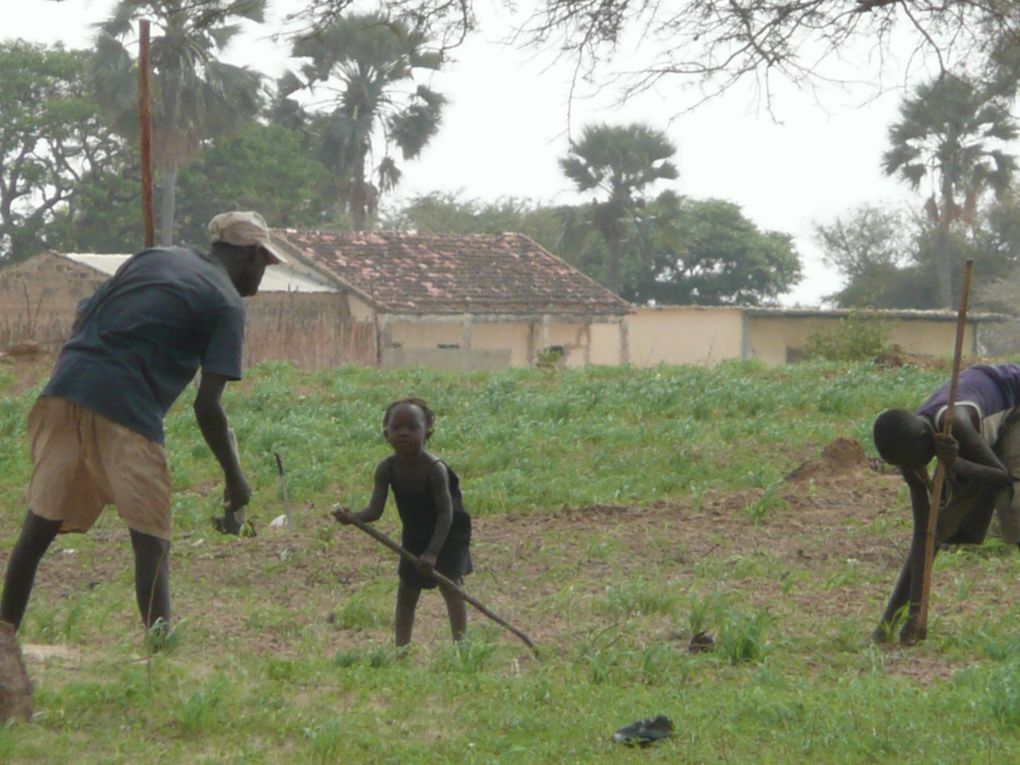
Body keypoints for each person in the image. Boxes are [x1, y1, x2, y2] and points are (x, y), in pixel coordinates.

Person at [0, 211, 287, 637]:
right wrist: (235, 478)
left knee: (39, 526)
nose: (262, 277)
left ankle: (4, 641)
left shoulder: (153, 258)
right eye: (265, 264)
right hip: (128, 409)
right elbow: (208, 406)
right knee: (151, 540)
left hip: (64, 389)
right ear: (249, 256)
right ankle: (160, 651)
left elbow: (84, 314)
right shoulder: (226, 303)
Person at [871, 363, 1020, 642]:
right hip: (973, 440)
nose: (913, 470)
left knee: (1015, 512)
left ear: (924, 439)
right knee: (937, 529)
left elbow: (1000, 477)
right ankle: (889, 624)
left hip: (1014, 403)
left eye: (913, 464)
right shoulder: (909, 448)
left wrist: (956, 464)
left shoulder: (957, 424)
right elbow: (924, 533)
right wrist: (911, 616)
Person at [333, 398, 472, 646]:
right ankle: (402, 649)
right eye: (397, 427)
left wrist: (432, 554)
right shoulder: (387, 468)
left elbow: (445, 514)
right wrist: (352, 517)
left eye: (412, 428)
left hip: (448, 533)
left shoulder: (435, 469)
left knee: (451, 586)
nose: (404, 433)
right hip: (415, 531)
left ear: (427, 431)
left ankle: (462, 647)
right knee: (407, 589)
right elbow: (375, 510)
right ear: (385, 432)